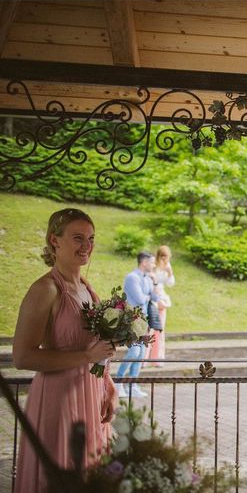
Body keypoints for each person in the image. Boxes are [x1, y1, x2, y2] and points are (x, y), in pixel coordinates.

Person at [11, 209, 118, 492]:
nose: (87, 246)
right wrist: (86, 358)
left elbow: (94, 349)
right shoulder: (45, 289)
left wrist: (108, 384)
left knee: (92, 477)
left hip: (92, 396)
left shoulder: (86, 288)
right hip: (60, 399)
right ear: (54, 240)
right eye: (78, 238)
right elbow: (22, 357)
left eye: (91, 238)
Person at [114, 251, 155, 398]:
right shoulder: (132, 278)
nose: (154, 265)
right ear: (144, 262)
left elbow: (155, 296)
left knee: (142, 354)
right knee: (134, 352)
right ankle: (117, 382)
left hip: (143, 321)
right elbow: (139, 298)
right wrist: (148, 296)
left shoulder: (148, 278)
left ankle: (132, 384)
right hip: (132, 320)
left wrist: (154, 283)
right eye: (152, 262)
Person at [148, 244, 175, 360]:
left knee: (160, 330)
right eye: (162, 256)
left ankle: (157, 358)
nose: (164, 258)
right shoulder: (153, 264)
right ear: (158, 255)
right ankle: (145, 358)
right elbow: (149, 280)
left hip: (162, 297)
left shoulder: (167, 266)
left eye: (166, 256)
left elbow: (170, 283)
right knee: (149, 330)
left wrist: (170, 273)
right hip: (152, 297)